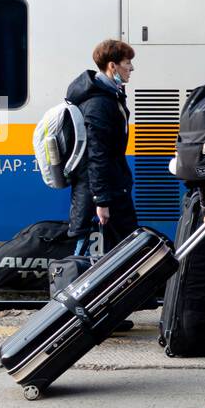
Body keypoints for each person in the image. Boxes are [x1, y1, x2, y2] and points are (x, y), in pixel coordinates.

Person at [67, 38, 138, 252]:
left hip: (111, 190)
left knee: (120, 252)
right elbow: (97, 154)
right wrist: (101, 201)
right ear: (112, 66)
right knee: (89, 258)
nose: (131, 68)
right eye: (127, 63)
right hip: (103, 195)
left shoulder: (109, 96)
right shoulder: (99, 103)